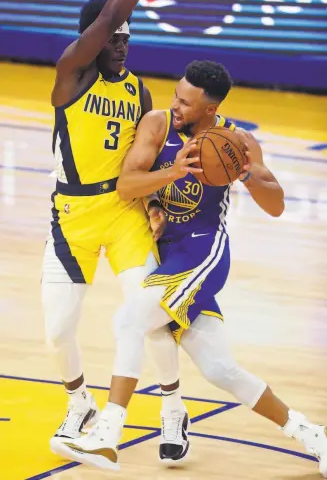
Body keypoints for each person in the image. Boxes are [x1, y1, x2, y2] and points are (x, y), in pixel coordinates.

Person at [57, 60, 327, 477]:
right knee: (221, 369)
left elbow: (276, 206)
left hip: (203, 252)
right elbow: (126, 185)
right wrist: (176, 170)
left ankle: (107, 435)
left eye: (186, 102)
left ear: (209, 108)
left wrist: (248, 177)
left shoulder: (237, 141)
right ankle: (314, 435)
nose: (176, 105)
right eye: (177, 95)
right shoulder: (157, 125)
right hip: (164, 255)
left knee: (129, 321)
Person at [41, 0, 168, 457]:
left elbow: (144, 163)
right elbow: (106, 18)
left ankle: (172, 410)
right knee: (57, 330)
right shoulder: (71, 74)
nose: (120, 46)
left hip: (121, 214)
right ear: (91, 41)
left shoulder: (139, 91)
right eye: (112, 38)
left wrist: (155, 207)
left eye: (125, 39)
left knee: (147, 315)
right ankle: (80, 403)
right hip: (71, 218)